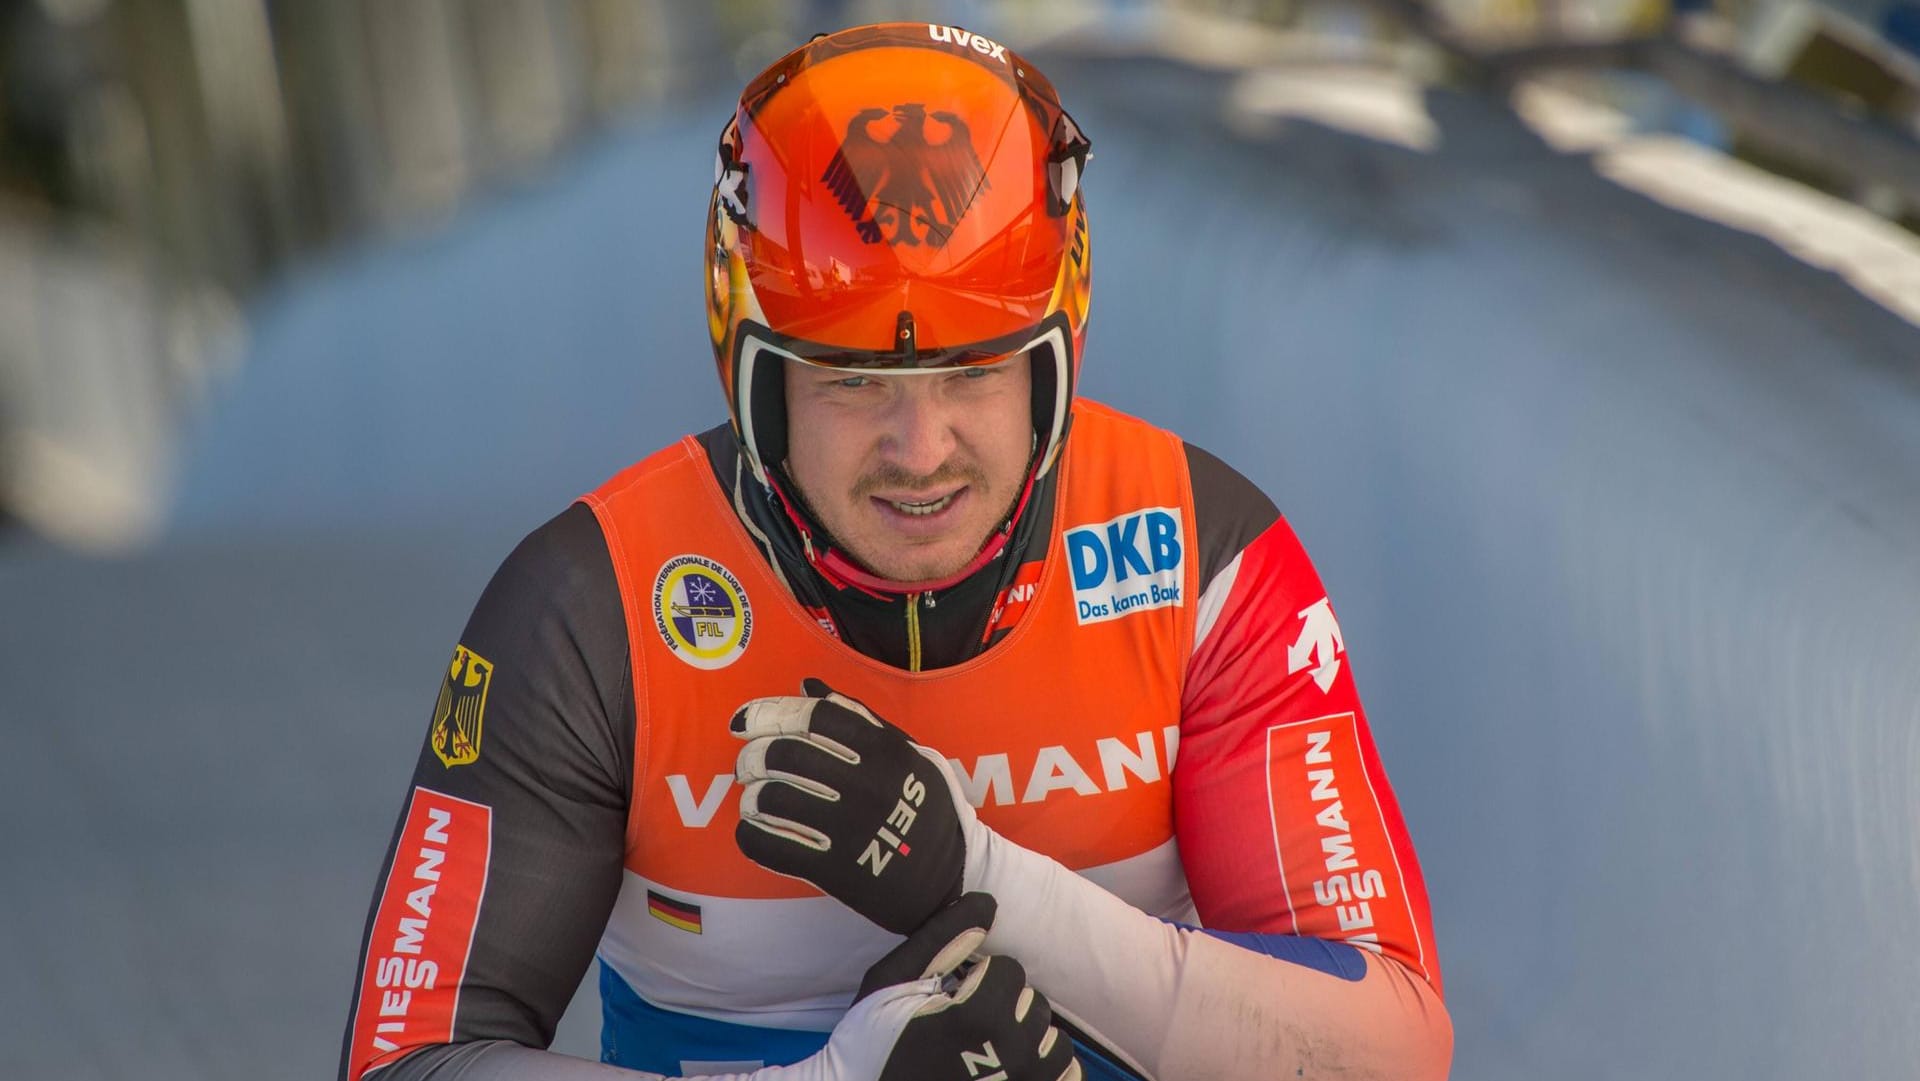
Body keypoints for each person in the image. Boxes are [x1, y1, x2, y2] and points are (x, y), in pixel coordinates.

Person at [340, 22, 1452, 1081]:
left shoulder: (1199, 557)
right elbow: (406, 1061)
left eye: (972, 370)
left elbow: (1391, 1048)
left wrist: (973, 878)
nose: (920, 452)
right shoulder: (593, 610)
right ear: (757, 379)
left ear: (1054, 362)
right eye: (852, 380)